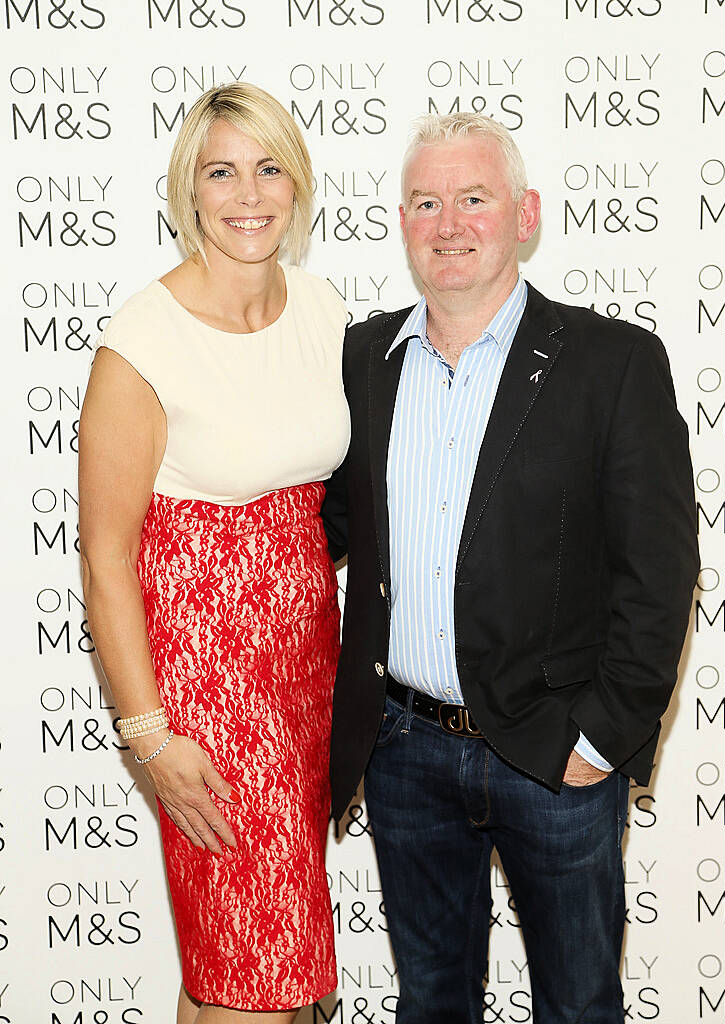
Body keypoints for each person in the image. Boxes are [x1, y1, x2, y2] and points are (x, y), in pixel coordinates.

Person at [322, 113, 699, 1024]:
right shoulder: (362, 358)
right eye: (425, 202)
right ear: (402, 220)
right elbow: (321, 525)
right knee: (431, 1003)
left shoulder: (612, 362)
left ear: (523, 215)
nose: (448, 222)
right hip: (404, 752)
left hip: (552, 753)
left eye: (473, 198)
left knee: (577, 1007)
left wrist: (602, 738)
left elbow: (661, 568)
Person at [79, 83, 349, 1023]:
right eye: (220, 171)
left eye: (268, 166)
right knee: (261, 976)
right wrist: (149, 734)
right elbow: (105, 557)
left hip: (308, 668)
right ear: (188, 192)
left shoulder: (322, 309)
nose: (247, 192)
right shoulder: (141, 341)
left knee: (236, 968)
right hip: (206, 686)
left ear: (299, 182)